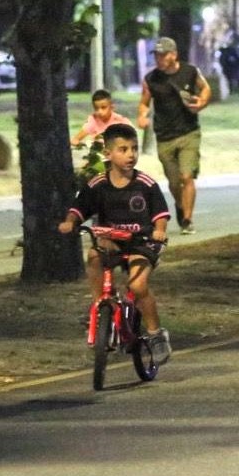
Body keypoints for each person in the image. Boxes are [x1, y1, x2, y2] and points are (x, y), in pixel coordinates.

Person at [57, 123, 173, 365]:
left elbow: (160, 215)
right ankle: (100, 307)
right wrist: (70, 222)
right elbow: (79, 209)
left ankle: (155, 334)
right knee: (94, 256)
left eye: (134, 149)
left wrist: (159, 231)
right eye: (123, 149)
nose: (130, 154)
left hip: (142, 243)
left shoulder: (145, 184)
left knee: (138, 284)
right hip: (112, 241)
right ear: (108, 154)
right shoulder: (97, 184)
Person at [139, 36, 210, 235]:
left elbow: (205, 88)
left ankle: (187, 220)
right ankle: (180, 204)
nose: (159, 59)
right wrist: (142, 116)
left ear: (174, 55)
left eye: (163, 55)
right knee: (173, 182)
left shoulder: (190, 72)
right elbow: (144, 102)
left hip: (189, 132)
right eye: (157, 55)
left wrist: (202, 102)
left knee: (186, 176)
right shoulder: (151, 79)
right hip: (164, 136)